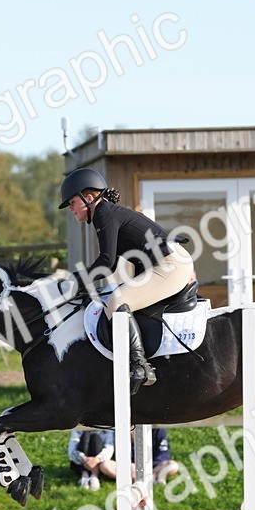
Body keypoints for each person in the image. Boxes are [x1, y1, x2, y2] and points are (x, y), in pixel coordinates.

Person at [59, 168, 194, 393]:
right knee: (115, 294)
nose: (70, 208)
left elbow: (107, 261)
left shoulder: (104, 213)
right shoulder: (105, 212)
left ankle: (139, 365)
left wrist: (77, 282)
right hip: (166, 263)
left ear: (89, 198)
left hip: (170, 266)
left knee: (117, 301)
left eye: (72, 202)